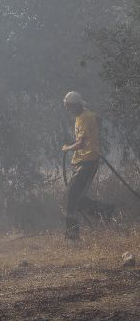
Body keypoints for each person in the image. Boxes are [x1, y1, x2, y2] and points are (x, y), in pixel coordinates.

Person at [61, 91, 114, 240]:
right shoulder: (82, 116)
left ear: (76, 105)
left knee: (71, 198)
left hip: (88, 163)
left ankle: (72, 237)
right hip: (81, 162)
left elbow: (82, 143)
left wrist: (67, 148)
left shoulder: (85, 117)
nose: (67, 110)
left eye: (69, 106)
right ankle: (105, 211)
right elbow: (98, 120)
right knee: (72, 197)